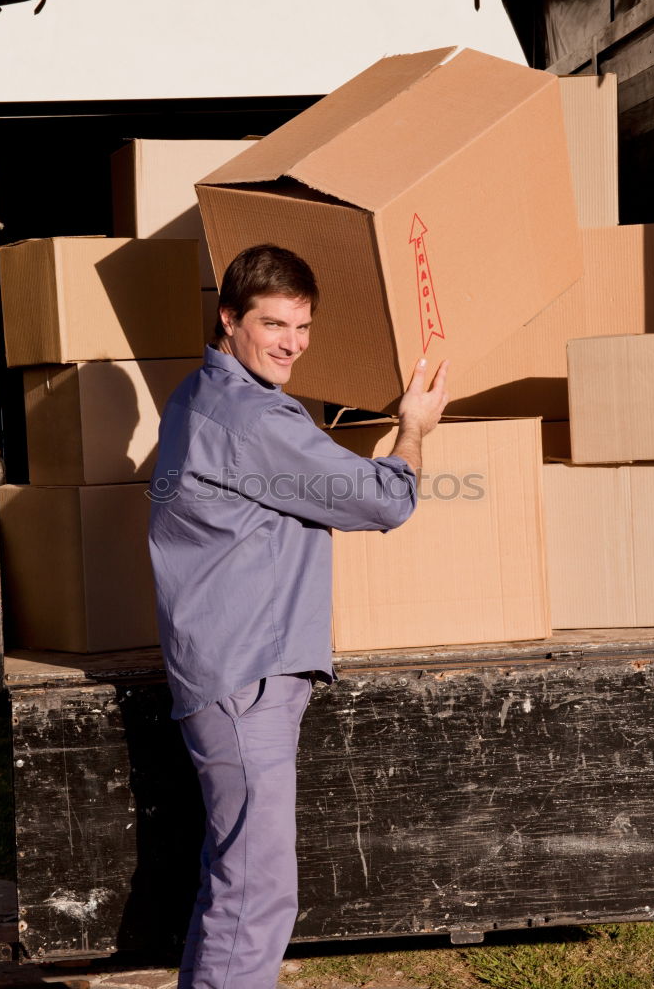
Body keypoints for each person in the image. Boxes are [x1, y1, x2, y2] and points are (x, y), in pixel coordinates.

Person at [148, 244, 449, 989]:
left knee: (237, 881)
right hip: (248, 678)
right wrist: (414, 427)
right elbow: (385, 499)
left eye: (303, 326)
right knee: (254, 893)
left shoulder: (195, 394)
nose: (292, 343)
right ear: (229, 319)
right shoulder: (252, 418)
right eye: (274, 324)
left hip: (225, 667)